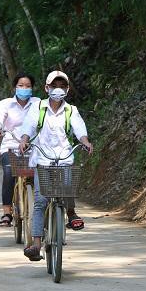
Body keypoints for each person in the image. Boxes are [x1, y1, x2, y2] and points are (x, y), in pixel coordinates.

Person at [18, 70, 93, 261]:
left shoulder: (71, 110)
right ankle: (36, 245)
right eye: (54, 86)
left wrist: (85, 141)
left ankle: (71, 213)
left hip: (64, 157)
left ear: (67, 89)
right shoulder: (39, 107)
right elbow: (29, 126)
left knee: (67, 188)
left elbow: (79, 128)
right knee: (41, 201)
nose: (58, 89)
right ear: (47, 88)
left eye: (62, 86)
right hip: (43, 159)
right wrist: (24, 140)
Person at [0, 73, 41, 227]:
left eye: (28, 86)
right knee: (9, 172)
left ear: (32, 88)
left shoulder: (38, 103)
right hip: (11, 145)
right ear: (15, 87)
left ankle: (43, 209)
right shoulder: (5, 104)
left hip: (33, 146)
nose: (24, 88)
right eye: (21, 85)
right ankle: (7, 213)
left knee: (41, 174)